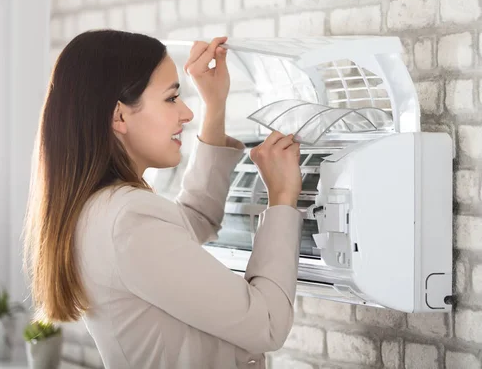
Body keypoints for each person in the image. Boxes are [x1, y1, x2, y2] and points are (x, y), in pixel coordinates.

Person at [23, 30, 303, 369]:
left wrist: (215, 106)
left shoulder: (99, 208)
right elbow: (267, 323)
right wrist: (283, 199)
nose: (186, 114)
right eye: (171, 98)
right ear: (120, 116)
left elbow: (194, 219)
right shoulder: (129, 219)